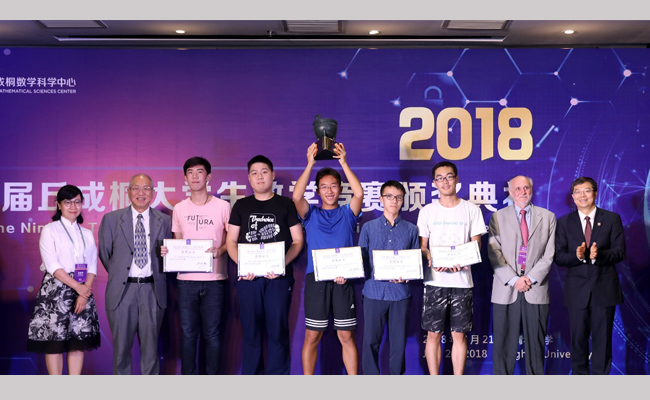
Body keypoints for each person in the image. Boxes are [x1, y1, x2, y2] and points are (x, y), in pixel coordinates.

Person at [226, 155, 304, 374]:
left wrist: (281, 264)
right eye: (254, 173)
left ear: (272, 175)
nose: (259, 177)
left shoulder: (286, 204)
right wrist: (243, 265)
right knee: (251, 333)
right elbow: (231, 242)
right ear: (249, 178)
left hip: (278, 279)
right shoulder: (241, 205)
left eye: (264, 172)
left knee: (278, 332)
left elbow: (298, 241)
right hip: (248, 279)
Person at [293, 142, 364, 375]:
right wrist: (310, 164)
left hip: (344, 280)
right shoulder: (310, 214)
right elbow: (296, 196)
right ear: (318, 191)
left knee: (346, 335)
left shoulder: (348, 213)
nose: (329, 190)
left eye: (334, 185)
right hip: (316, 280)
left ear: (340, 189)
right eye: (324, 187)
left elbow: (359, 194)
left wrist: (343, 162)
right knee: (312, 335)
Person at [161, 157, 230, 374]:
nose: (195, 176)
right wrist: (170, 252)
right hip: (186, 281)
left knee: (213, 334)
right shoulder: (179, 208)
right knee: (188, 334)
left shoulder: (223, 206)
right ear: (185, 178)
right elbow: (178, 241)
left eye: (200, 172)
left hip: (215, 280)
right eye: (190, 172)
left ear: (209, 176)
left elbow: (232, 240)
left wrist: (220, 251)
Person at [417, 161, 486, 375]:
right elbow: (423, 247)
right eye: (440, 178)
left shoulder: (471, 209)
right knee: (433, 334)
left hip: (462, 281)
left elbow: (476, 245)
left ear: (456, 179)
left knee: (459, 334)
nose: (445, 181)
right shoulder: (427, 211)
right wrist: (431, 257)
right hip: (434, 281)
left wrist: (464, 260)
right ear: (434, 183)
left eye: (449, 176)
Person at [98, 174, 172, 374]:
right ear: (128, 191)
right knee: (121, 350)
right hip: (123, 292)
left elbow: (169, 255)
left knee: (151, 349)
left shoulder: (165, 221)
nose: (141, 193)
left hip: (152, 290)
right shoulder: (112, 219)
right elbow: (106, 255)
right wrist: (122, 274)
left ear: (153, 193)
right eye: (136, 188)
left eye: (146, 188)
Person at [554, 177, 625, 375]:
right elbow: (559, 256)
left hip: (604, 289)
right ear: (572, 197)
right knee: (578, 340)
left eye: (586, 191)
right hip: (577, 291)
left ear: (595, 193)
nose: (582, 195)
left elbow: (620, 252)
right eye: (577, 192)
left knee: (603, 341)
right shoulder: (564, 222)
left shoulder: (611, 219)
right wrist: (577, 256)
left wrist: (599, 255)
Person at [27, 184, 101, 374]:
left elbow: (92, 265)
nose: (73, 206)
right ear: (59, 205)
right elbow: (52, 265)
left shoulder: (87, 233)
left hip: (82, 290)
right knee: (55, 341)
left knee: (77, 340)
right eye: (67, 202)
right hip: (56, 290)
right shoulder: (50, 230)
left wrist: (84, 293)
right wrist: (78, 287)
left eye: (77, 202)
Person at [487, 175, 556, 375]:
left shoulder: (548, 217)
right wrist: (514, 279)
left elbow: (549, 254)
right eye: (518, 188)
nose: (522, 192)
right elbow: (494, 252)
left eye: (526, 188)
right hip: (506, 288)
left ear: (531, 190)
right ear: (510, 192)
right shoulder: (497, 217)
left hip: (536, 288)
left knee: (536, 344)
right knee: (503, 345)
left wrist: (530, 278)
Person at [358, 180, 419, 375]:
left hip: (400, 294)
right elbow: (361, 259)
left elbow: (415, 261)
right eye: (389, 196)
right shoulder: (368, 228)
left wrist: (408, 275)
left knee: (398, 344)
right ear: (381, 199)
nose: (394, 201)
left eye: (399, 197)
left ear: (403, 200)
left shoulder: (411, 229)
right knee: (370, 342)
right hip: (373, 292)